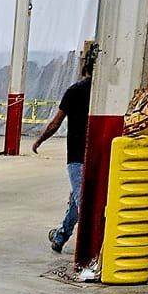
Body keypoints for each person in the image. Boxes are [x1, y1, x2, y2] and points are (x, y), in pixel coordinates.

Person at [32, 42, 95, 252]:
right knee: (81, 200)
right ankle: (64, 238)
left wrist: (39, 140)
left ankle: (70, 241)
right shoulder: (105, 95)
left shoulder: (75, 91)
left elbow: (55, 122)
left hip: (78, 156)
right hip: (93, 155)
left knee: (81, 200)